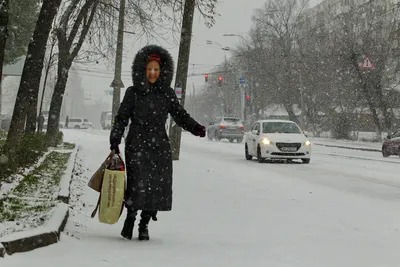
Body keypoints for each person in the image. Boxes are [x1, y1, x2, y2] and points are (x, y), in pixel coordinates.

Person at [109, 45, 206, 241]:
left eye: (156, 70)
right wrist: (115, 139)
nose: (152, 73)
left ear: (162, 72)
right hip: (136, 144)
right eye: (149, 69)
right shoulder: (132, 92)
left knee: (155, 186)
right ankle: (130, 217)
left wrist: (195, 127)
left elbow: (180, 115)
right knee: (138, 184)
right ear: (142, 70)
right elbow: (121, 118)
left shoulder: (167, 93)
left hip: (159, 146)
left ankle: (144, 224)